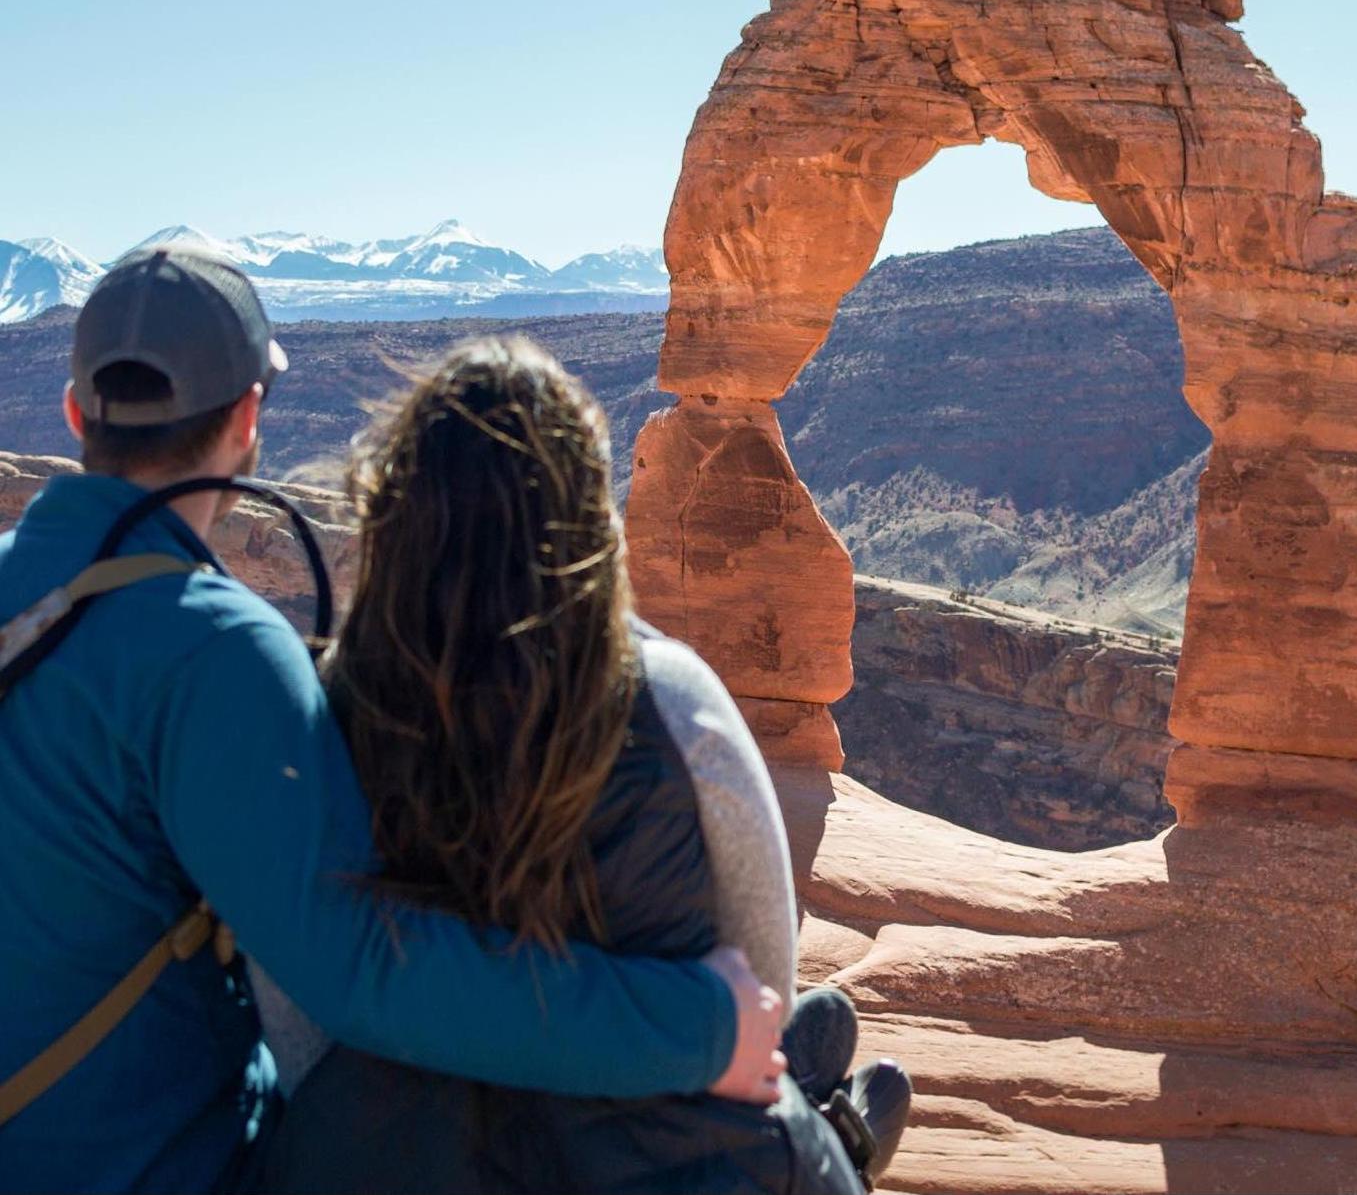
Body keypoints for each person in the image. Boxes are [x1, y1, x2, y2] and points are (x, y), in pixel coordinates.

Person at [0, 249, 786, 1194]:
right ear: (249, 418)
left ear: (77, 414)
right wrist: (700, 1027)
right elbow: (358, 972)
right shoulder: (215, 648)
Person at [255, 335, 910, 1193]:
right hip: (656, 1154)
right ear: (585, 517)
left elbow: (292, 1021)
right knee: (801, 1044)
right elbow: (758, 992)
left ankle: (830, 1118)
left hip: (379, 1154)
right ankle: (840, 1138)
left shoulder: (316, 716)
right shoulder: (673, 702)